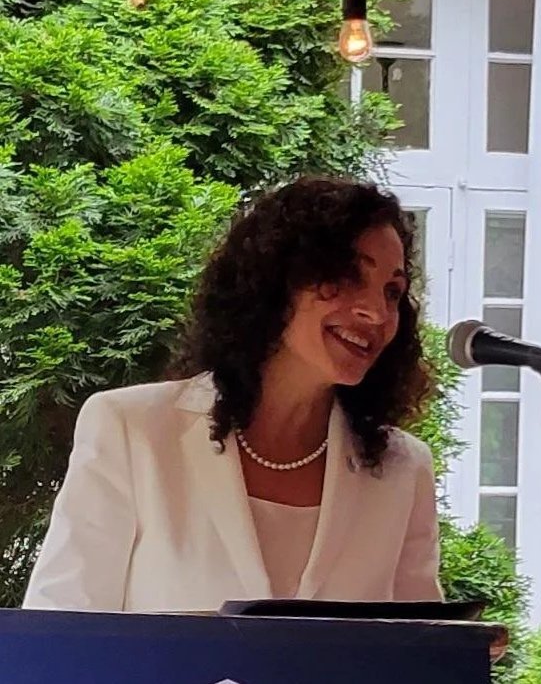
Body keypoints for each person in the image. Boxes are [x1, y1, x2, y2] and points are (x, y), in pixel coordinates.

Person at [23, 176, 443, 613]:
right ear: (277, 279)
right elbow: (57, 634)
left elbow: (421, 643)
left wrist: (466, 643)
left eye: (392, 292)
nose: (376, 312)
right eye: (348, 275)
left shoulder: (405, 470)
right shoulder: (131, 430)